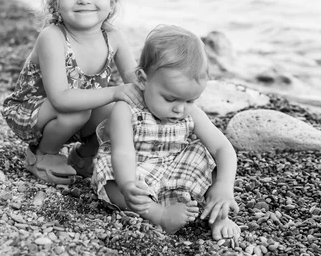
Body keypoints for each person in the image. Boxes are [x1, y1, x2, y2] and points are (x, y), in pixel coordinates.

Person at [2, 0, 143, 185]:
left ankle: (83, 157)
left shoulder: (113, 37)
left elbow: (135, 82)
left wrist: (169, 90)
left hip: (78, 112)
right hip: (34, 113)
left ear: (113, 0)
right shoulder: (53, 37)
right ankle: (42, 154)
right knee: (81, 110)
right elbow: (60, 99)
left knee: (123, 109)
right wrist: (115, 91)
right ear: (56, 0)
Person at [91, 25, 241, 240]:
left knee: (206, 156)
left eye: (190, 100)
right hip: (137, 168)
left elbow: (222, 147)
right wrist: (128, 185)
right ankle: (157, 213)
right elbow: (122, 153)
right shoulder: (126, 110)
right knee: (109, 174)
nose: (180, 109)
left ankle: (218, 215)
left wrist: (224, 185)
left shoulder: (192, 114)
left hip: (175, 168)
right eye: (170, 99)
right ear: (143, 80)